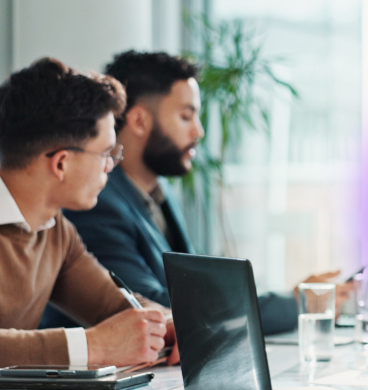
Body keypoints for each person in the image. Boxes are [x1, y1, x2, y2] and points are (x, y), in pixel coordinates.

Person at [41, 51, 349, 335]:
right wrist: (294, 303)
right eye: (186, 116)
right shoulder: (94, 203)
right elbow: (152, 305)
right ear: (138, 120)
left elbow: (188, 292)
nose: (198, 132)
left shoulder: (163, 196)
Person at [0, 58, 176, 367]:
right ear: (61, 163)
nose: (111, 166)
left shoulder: (53, 228)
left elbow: (113, 303)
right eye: (106, 154)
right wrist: (90, 346)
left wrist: (167, 324)